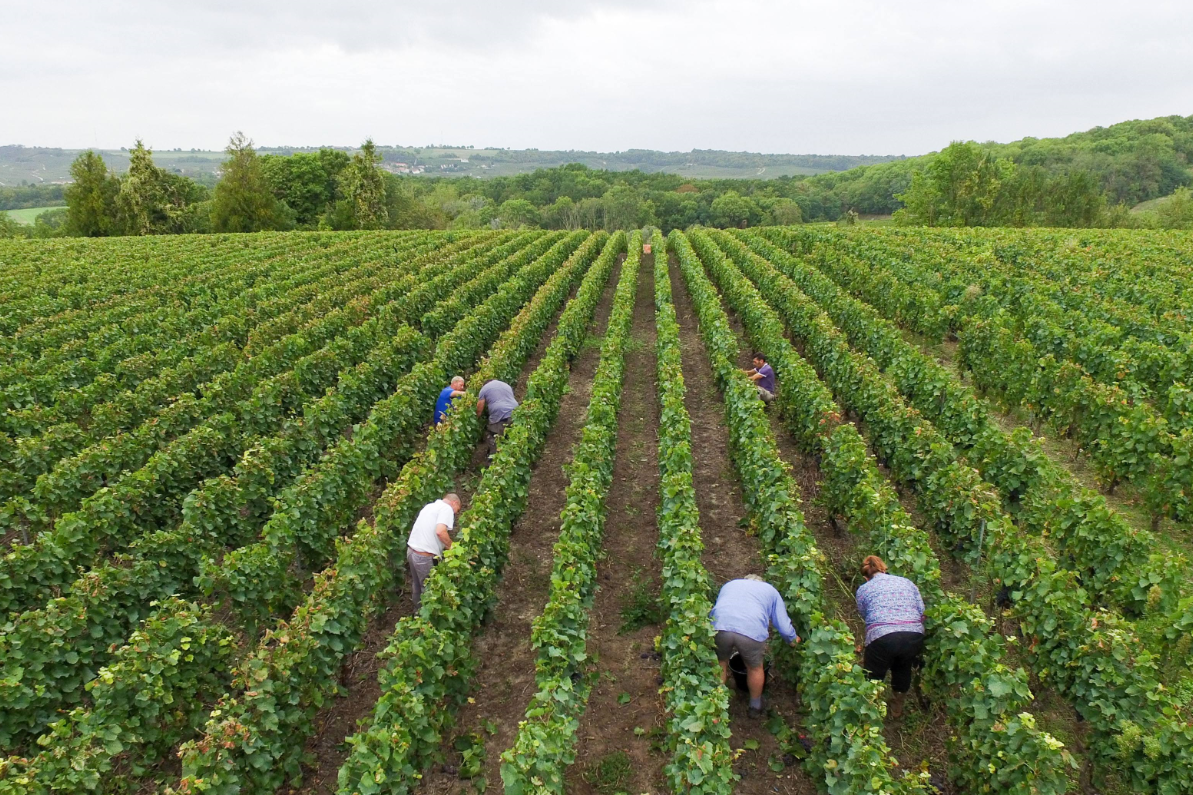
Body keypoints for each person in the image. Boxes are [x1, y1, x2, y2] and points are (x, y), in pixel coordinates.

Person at [710, 575, 800, 718]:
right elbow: (783, 626)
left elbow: (717, 608)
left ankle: (716, 704)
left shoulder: (730, 584)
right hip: (750, 631)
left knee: (720, 662)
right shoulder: (770, 591)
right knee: (754, 667)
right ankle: (755, 707)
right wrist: (793, 640)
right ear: (761, 582)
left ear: (746, 580)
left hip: (721, 626)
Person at [855, 555, 925, 718]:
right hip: (913, 634)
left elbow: (864, 614)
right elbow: (922, 612)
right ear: (884, 569)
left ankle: (871, 712)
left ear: (866, 577)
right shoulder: (906, 582)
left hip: (883, 636)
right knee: (903, 667)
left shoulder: (863, 589)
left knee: (873, 675)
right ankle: (896, 710)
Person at [406, 493, 462, 607]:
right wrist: (453, 548)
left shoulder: (429, 506)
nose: (456, 513)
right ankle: (427, 621)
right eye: (457, 510)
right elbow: (440, 531)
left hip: (411, 552)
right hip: (423, 557)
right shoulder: (446, 509)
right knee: (429, 590)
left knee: (417, 586)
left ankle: (418, 616)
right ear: (454, 503)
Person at [476, 379, 518, 458]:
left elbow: (479, 408)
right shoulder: (506, 385)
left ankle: (494, 458)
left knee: (494, 435)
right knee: (511, 433)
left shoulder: (484, 388)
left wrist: (477, 417)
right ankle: (510, 455)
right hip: (514, 409)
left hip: (498, 412)